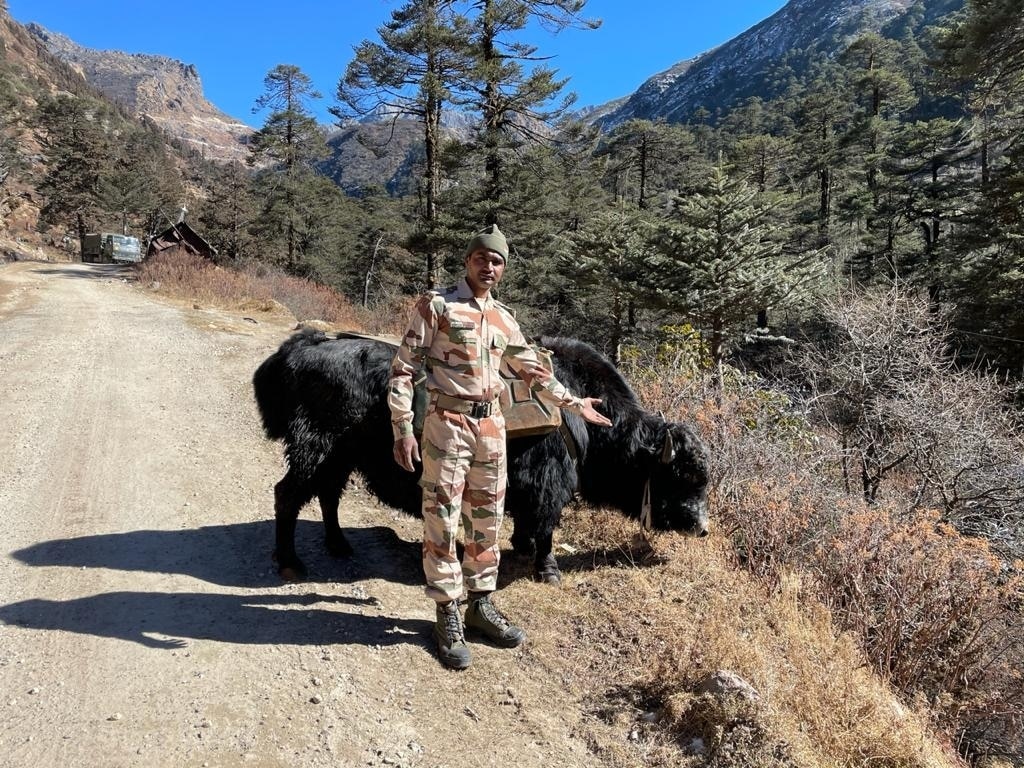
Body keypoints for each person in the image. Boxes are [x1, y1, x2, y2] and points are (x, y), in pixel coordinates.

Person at [388, 224, 613, 670]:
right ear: (468, 261)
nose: (488, 267)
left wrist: (574, 403)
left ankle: (479, 604)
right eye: (481, 258)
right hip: (446, 424)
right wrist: (403, 428)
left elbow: (533, 371)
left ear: (503, 269)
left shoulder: (504, 318)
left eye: (496, 261)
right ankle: (447, 612)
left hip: (492, 427)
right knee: (442, 518)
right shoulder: (438, 306)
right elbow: (403, 370)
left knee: (487, 518)